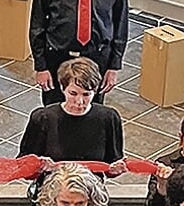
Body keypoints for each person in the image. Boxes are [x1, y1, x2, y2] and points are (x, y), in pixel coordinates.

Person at [16, 57, 126, 194]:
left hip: (90, 193)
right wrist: (38, 166)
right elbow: (22, 168)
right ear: (63, 89)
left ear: (95, 92)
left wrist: (116, 169)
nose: (79, 101)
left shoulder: (108, 118)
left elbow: (112, 166)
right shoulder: (43, 118)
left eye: (86, 94)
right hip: (51, 193)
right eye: (73, 93)